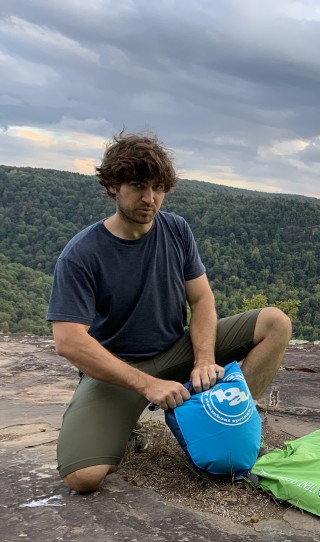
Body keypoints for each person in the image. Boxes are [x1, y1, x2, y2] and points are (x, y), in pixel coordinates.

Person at [47, 131, 292, 494]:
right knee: (83, 478)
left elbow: (202, 300)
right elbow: (68, 341)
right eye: (137, 186)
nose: (150, 198)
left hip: (178, 349)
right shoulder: (82, 254)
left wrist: (205, 360)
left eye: (158, 187)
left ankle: (228, 420)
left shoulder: (176, 230)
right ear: (112, 186)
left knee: (275, 322)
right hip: (120, 369)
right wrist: (148, 385)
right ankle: (128, 427)